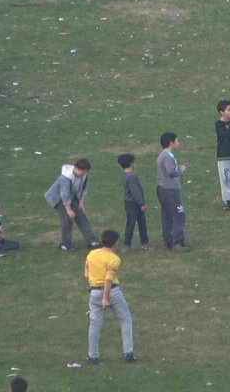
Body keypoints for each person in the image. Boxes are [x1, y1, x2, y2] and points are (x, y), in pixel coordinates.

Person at [84, 229, 136, 365]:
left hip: (94, 291)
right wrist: (105, 298)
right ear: (115, 243)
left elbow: (87, 274)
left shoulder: (91, 254)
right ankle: (128, 352)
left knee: (94, 324)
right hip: (112, 291)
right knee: (125, 319)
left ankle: (93, 356)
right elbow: (108, 279)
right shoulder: (114, 259)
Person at [45, 158, 97, 252]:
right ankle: (65, 244)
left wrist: (81, 203)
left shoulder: (84, 175)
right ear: (76, 168)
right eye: (83, 171)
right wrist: (69, 210)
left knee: (81, 215)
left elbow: (84, 190)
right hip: (58, 198)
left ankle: (91, 241)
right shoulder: (66, 178)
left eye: (86, 171)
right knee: (67, 219)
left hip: (71, 196)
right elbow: (64, 195)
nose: (84, 174)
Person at [156, 132, 190, 251]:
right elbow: (171, 171)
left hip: (162, 189)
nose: (178, 142)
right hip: (170, 190)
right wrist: (181, 169)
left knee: (167, 215)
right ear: (171, 143)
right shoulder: (168, 156)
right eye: (177, 140)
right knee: (179, 215)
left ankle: (168, 241)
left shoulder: (162, 155)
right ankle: (178, 242)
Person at [118, 153, 151, 251]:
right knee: (135, 223)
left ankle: (141, 243)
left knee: (135, 223)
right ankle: (130, 244)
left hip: (129, 202)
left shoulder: (125, 175)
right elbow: (135, 191)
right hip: (133, 203)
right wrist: (142, 203)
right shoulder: (131, 176)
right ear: (131, 164)